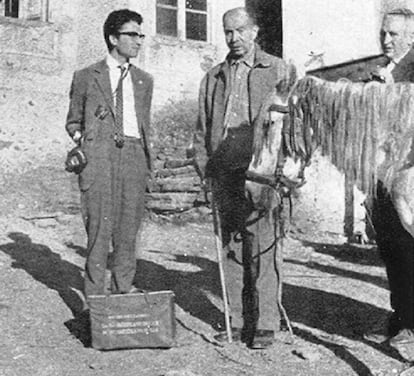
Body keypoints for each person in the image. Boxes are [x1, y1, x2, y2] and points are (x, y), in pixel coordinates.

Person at [194, 7, 292, 348]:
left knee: (263, 246)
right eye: (227, 33)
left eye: (239, 31)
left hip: (262, 172)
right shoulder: (214, 77)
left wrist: (283, 170)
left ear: (254, 31)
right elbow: (202, 130)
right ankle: (235, 319)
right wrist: (205, 170)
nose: (233, 38)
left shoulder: (278, 69)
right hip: (225, 172)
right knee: (232, 247)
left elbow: (291, 126)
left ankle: (265, 322)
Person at [65, 9, 153, 299]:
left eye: (141, 35)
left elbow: (143, 123)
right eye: (132, 35)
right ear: (114, 38)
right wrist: (85, 141)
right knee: (99, 234)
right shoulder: (86, 76)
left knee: (128, 233)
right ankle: (94, 303)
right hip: (99, 159)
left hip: (133, 157)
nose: (139, 41)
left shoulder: (144, 80)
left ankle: (123, 293)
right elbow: (73, 121)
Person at [366, 8, 414, 356]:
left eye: (394, 34)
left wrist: (391, 88)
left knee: (409, 251)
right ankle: (400, 317)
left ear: (410, 37)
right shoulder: (380, 70)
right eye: (384, 33)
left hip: (409, 174)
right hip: (383, 174)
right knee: (391, 250)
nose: (386, 40)